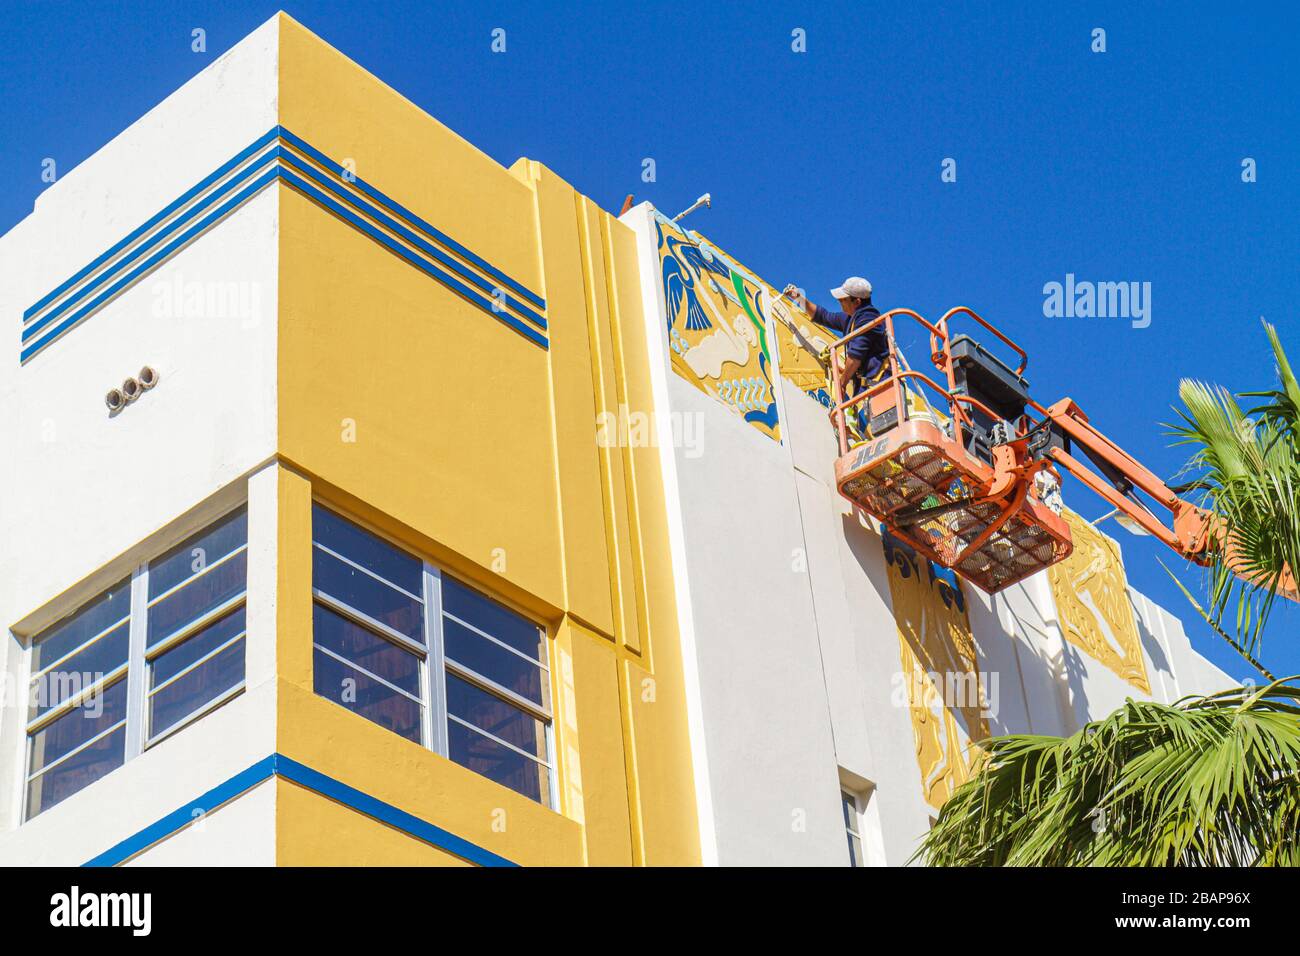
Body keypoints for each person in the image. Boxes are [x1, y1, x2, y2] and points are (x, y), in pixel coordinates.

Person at [783, 276, 888, 434]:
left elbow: (856, 355)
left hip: (881, 387)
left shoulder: (869, 319)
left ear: (857, 302)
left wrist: (843, 381)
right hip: (868, 390)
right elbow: (823, 316)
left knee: (883, 430)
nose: (840, 303)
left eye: (843, 300)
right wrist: (798, 298)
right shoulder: (851, 319)